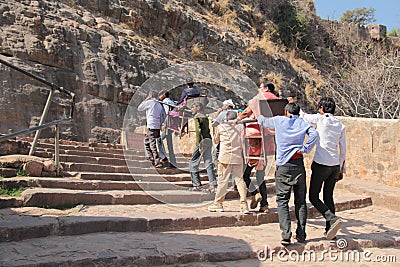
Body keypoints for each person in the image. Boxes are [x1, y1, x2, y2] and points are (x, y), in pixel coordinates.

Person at [258, 102, 318, 245]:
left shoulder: (279, 120)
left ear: (286, 112)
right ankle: (301, 234)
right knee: (300, 201)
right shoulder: (302, 123)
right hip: (298, 164)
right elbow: (314, 134)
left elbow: (263, 121)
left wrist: (257, 113)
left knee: (282, 200)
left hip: (283, 165)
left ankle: (286, 234)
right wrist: (305, 148)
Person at [297, 97, 346, 240]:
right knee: (328, 196)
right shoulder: (340, 124)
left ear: (322, 108)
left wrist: (293, 104)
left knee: (313, 196)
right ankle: (330, 229)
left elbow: (304, 116)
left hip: (321, 163)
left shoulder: (320, 119)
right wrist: (342, 168)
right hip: (335, 165)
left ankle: (332, 218)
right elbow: (343, 149)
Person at [237, 81, 279, 212]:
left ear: (265, 88)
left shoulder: (258, 99)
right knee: (260, 175)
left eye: (260, 87)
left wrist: (237, 118)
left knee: (245, 174)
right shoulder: (278, 101)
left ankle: (255, 193)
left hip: (256, 140)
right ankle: (264, 205)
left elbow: (245, 113)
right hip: (271, 141)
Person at [208, 111, 250, 213]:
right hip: (238, 157)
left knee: (222, 181)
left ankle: (218, 203)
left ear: (226, 118)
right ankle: (244, 205)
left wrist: (213, 128)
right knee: (240, 181)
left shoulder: (221, 127)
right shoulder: (241, 127)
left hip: (225, 157)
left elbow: (216, 140)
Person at [189, 101, 217, 192]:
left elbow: (199, 131)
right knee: (208, 163)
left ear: (198, 108)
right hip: (208, 141)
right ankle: (213, 184)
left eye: (193, 107)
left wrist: (200, 146)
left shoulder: (197, 117)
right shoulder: (205, 117)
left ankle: (196, 185)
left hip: (201, 142)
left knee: (193, 162)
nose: (191, 109)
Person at [137, 90, 166, 168]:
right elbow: (162, 115)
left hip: (151, 125)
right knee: (146, 141)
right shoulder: (159, 104)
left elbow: (139, 108)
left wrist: (146, 99)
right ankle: (150, 157)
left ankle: (157, 161)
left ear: (151, 95)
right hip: (157, 125)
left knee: (152, 144)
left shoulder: (150, 102)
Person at [157, 91, 177, 168]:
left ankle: (163, 157)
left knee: (159, 140)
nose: (159, 97)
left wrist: (163, 124)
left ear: (164, 95)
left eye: (160, 95)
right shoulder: (171, 102)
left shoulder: (165, 102)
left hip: (167, 125)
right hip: (172, 125)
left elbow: (166, 114)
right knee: (169, 144)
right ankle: (173, 163)